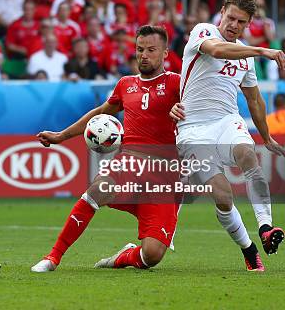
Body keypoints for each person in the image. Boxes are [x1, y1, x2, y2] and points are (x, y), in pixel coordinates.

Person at [31, 25, 182, 272]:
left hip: (163, 176)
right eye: (140, 49)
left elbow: (200, 110)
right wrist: (61, 136)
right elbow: (100, 113)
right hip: (130, 162)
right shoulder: (125, 84)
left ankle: (121, 258)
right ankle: (53, 257)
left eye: (151, 50)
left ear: (165, 53)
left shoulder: (177, 83)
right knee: (98, 190)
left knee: (151, 256)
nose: (144, 55)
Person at [170, 0, 285, 272]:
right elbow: (217, 50)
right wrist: (262, 50)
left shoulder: (245, 57)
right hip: (192, 128)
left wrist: (267, 136)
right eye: (231, 18)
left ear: (248, 24)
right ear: (222, 12)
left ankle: (265, 228)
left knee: (249, 155)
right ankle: (249, 249)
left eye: (241, 22)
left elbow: (254, 99)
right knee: (223, 195)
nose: (234, 25)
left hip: (226, 121)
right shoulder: (204, 31)